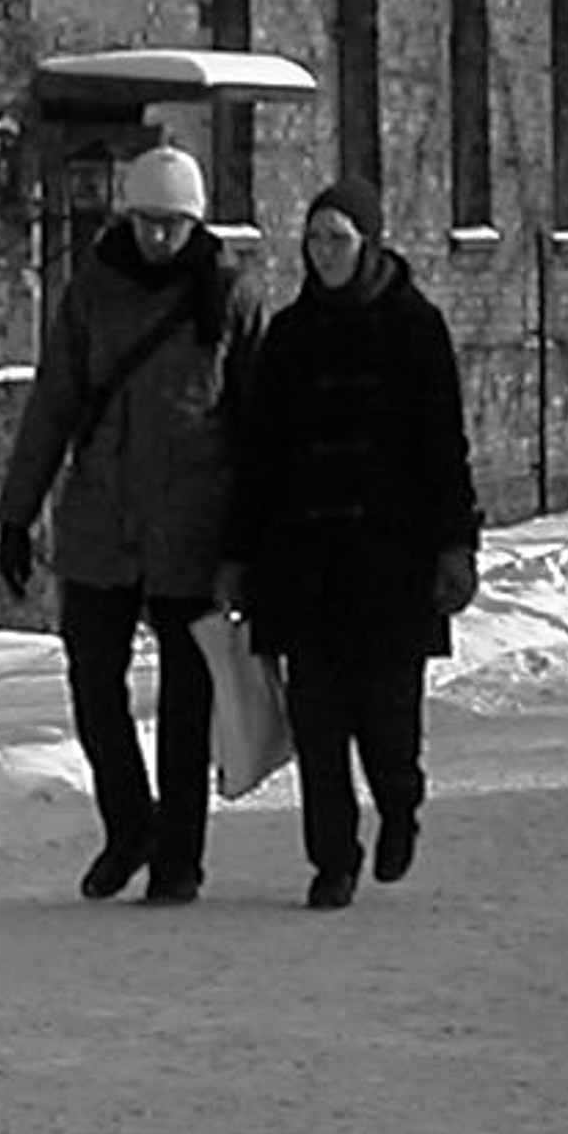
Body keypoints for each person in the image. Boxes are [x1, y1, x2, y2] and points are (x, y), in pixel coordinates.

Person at [217, 179, 481, 910]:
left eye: (337, 238)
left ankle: (400, 804)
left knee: (386, 717)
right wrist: (239, 556)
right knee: (319, 722)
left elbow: (442, 449)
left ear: (367, 242)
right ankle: (331, 858)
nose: (324, 252)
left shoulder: (413, 327)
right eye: (314, 240)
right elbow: (261, 456)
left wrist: (454, 546)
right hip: (302, 562)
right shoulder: (290, 336)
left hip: (390, 563)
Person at [0, 140, 248, 901]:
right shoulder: (93, 292)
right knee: (94, 684)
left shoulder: (229, 298)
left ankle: (180, 855)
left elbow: (255, 422)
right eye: (147, 222)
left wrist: (249, 538)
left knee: (186, 701)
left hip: (192, 527)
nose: (159, 238)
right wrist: (17, 512)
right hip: (102, 520)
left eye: (172, 225)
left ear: (195, 224)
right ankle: (129, 822)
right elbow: (54, 403)